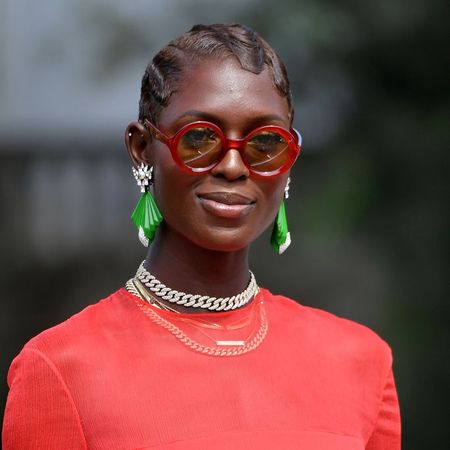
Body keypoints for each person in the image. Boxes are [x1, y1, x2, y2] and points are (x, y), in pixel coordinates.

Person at [2, 23, 401, 449]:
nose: (233, 165)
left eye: (265, 144)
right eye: (199, 139)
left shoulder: (360, 362)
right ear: (141, 149)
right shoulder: (63, 369)